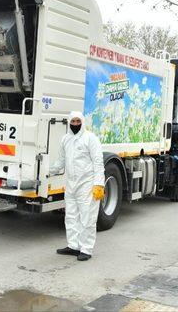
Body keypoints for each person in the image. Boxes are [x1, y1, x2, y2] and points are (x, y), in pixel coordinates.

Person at [52, 111, 105, 261]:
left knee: (87, 218)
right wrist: (48, 171)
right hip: (71, 185)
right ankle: (73, 246)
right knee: (70, 216)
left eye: (78, 121)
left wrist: (99, 184)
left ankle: (86, 249)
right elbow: (61, 161)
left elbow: (98, 162)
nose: (75, 124)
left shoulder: (90, 139)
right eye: (73, 121)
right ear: (69, 122)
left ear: (82, 122)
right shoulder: (66, 139)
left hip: (87, 185)